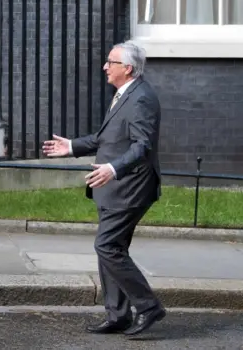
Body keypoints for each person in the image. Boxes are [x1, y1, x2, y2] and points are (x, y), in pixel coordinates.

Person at [42, 41, 166, 336]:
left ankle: (148, 307)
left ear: (128, 68)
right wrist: (72, 146)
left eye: (110, 62)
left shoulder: (141, 99)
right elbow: (106, 138)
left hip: (129, 188)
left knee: (107, 246)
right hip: (115, 188)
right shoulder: (126, 94)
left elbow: (142, 146)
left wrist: (113, 168)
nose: (105, 67)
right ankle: (118, 314)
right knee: (112, 248)